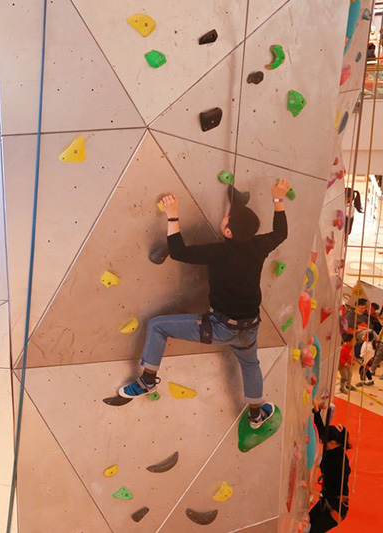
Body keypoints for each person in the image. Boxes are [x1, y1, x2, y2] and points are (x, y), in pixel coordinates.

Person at [114, 179, 290, 430]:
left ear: (228, 232)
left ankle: (147, 382)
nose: (225, 216)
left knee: (157, 326)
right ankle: (255, 414)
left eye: (227, 216)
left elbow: (179, 252)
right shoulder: (259, 246)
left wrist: (172, 216)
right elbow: (280, 233)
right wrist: (278, 199)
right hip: (249, 327)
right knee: (250, 365)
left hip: (220, 327)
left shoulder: (219, 253)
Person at [309, 401, 351, 532]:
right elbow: (322, 433)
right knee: (307, 522)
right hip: (327, 499)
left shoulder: (339, 464)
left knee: (312, 530)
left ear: (333, 442)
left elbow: (335, 488)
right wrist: (316, 412)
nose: (323, 441)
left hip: (335, 507)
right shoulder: (332, 447)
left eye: (326, 440)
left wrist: (314, 491)